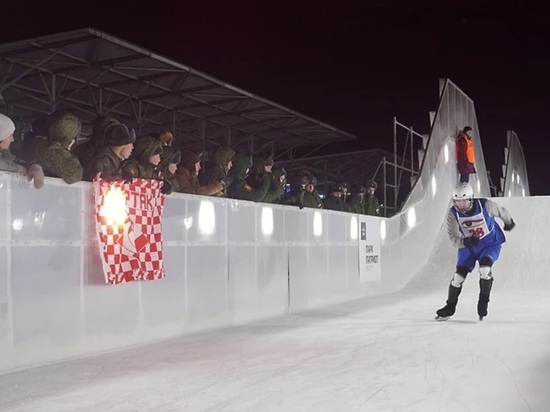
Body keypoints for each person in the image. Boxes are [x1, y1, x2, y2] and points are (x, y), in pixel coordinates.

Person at [436, 182, 515, 321]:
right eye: (458, 201)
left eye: (465, 200)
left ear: (471, 198)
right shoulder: (453, 214)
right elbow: (453, 238)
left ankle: (483, 302)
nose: (462, 205)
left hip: (490, 243)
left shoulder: (485, 205)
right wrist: (466, 241)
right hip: (469, 247)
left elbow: (501, 211)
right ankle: (450, 307)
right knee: (458, 278)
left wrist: (508, 222)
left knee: (485, 269)